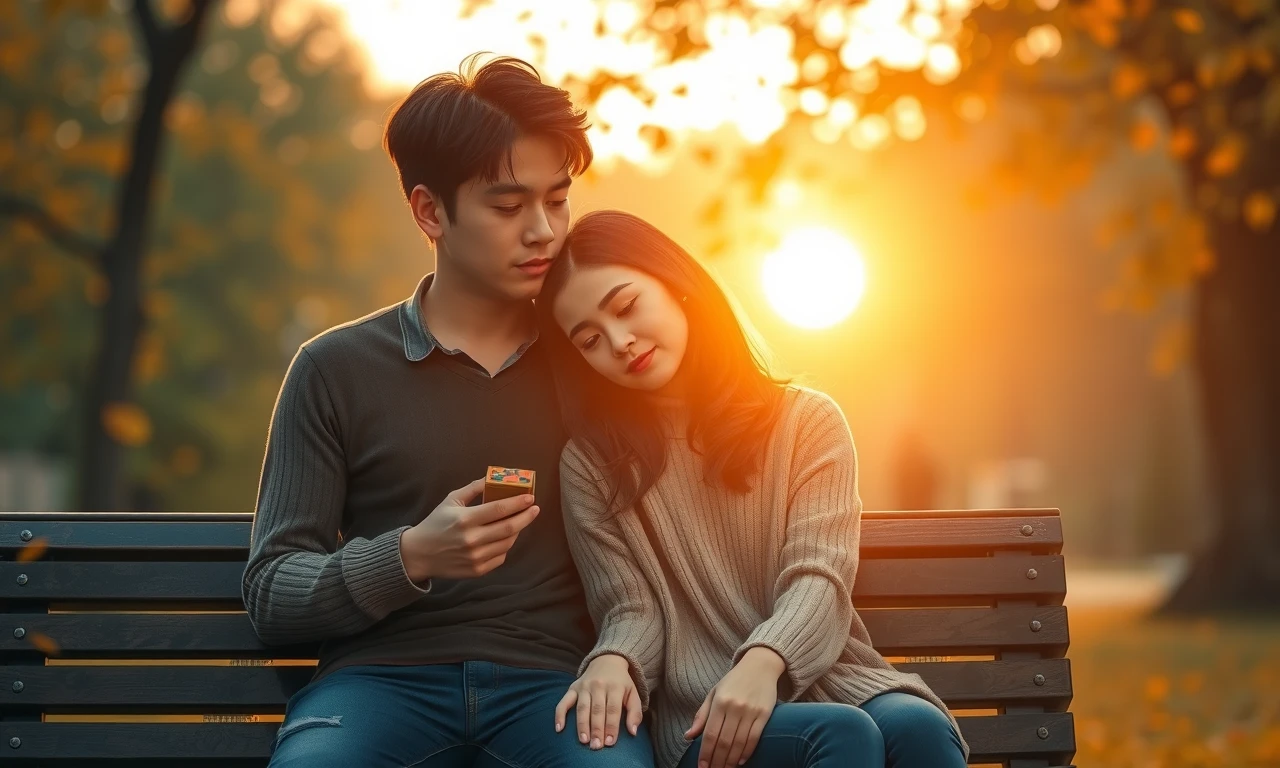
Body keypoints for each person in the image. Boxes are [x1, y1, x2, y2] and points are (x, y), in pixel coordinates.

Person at [241, 57, 655, 768]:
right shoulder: (333, 369)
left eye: (557, 199)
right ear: (431, 211)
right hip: (374, 685)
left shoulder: (594, 359)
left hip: (557, 688)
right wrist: (410, 555)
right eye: (508, 206)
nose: (544, 231)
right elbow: (273, 589)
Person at [535, 210, 970, 768]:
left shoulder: (807, 421)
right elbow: (631, 605)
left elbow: (820, 574)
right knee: (839, 736)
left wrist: (766, 660)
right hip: (704, 717)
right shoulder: (593, 463)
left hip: (834, 679)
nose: (619, 342)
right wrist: (614, 658)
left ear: (678, 286)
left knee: (918, 728)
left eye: (626, 307)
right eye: (590, 340)